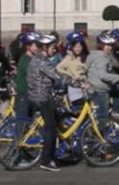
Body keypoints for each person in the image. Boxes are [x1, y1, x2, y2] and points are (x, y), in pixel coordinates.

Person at [27, 33, 85, 172]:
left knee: (59, 118)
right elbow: (57, 75)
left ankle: (56, 153)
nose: (55, 50)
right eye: (53, 47)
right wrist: (78, 84)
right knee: (51, 128)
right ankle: (46, 160)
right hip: (41, 98)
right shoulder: (42, 61)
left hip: (45, 95)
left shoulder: (41, 59)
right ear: (45, 47)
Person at [85, 31, 119, 122]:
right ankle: (101, 135)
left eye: (111, 45)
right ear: (101, 45)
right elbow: (103, 75)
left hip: (92, 88)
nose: (110, 48)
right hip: (100, 91)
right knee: (102, 118)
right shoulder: (102, 58)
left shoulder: (93, 55)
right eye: (107, 45)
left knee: (97, 116)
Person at [57, 33, 89, 103]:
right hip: (74, 87)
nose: (78, 49)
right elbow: (58, 68)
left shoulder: (85, 57)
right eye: (75, 47)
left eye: (79, 47)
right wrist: (70, 75)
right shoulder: (69, 58)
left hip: (86, 86)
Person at [14, 32, 38, 118]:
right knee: (22, 124)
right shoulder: (25, 59)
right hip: (23, 95)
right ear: (28, 46)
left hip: (32, 95)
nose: (37, 48)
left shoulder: (33, 59)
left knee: (31, 124)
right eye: (35, 45)